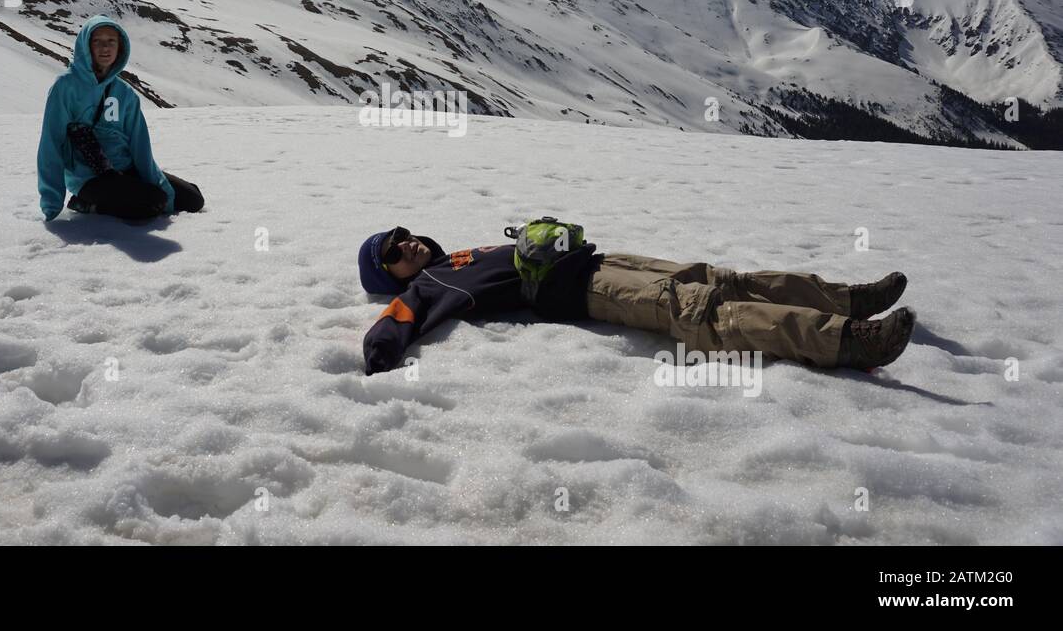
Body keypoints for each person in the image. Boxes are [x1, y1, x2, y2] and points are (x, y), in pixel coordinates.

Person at [358, 226, 915, 376]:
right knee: (699, 311)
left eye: (402, 237)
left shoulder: (453, 257)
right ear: (390, 277)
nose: (407, 244)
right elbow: (394, 323)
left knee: (721, 278)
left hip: (599, 260)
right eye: (393, 253)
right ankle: (843, 341)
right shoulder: (427, 287)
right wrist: (379, 357)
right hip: (582, 290)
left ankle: (847, 300)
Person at [37, 15, 204, 221]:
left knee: (193, 200)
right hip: (89, 177)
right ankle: (84, 203)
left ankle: (140, 194)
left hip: (126, 170)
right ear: (86, 45)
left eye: (111, 41)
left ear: (120, 47)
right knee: (152, 202)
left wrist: (159, 183)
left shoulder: (125, 93)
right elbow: (51, 144)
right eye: (97, 41)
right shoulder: (65, 86)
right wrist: (51, 201)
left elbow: (139, 145)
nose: (104, 48)